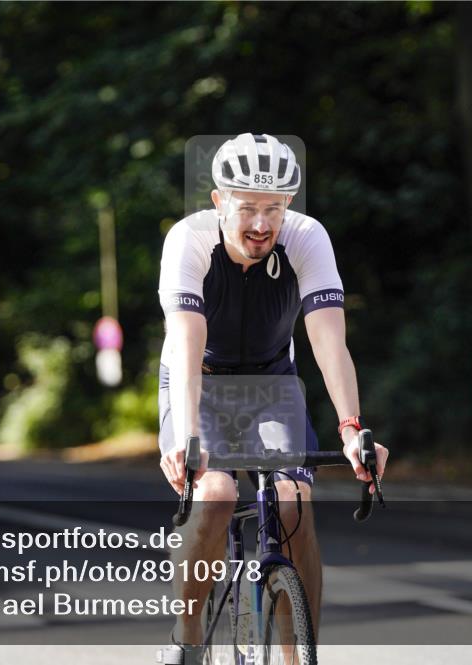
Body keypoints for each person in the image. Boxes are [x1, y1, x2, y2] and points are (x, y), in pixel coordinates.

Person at [156, 133, 389, 662]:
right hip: (199, 380)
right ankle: (187, 639)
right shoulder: (189, 240)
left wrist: (351, 429)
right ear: (219, 201)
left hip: (272, 383)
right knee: (216, 494)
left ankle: (298, 655)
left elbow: (329, 342)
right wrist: (187, 436)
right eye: (247, 208)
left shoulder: (307, 237)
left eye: (274, 209)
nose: (262, 224)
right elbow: (186, 344)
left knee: (293, 501)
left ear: (288, 205)